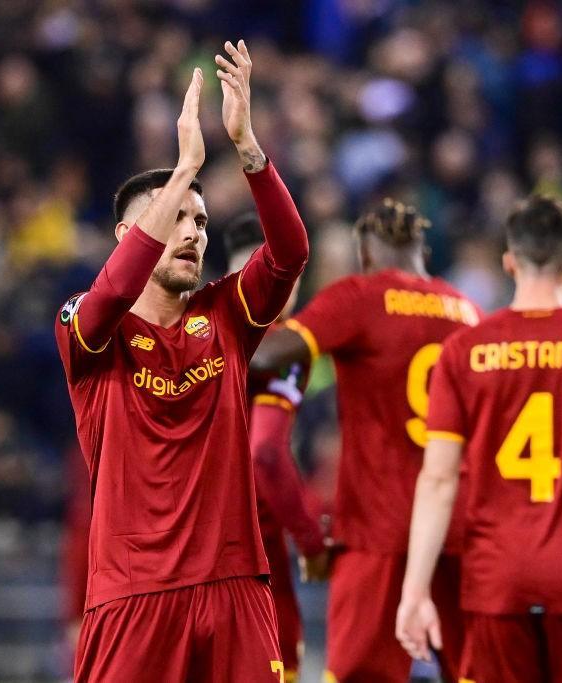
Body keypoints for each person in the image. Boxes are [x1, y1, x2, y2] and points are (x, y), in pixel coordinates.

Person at [55, 41, 308, 682]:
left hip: (234, 586)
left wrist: (248, 149)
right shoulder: (86, 327)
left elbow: (289, 253)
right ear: (128, 235)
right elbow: (113, 291)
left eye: (200, 219)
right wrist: (183, 168)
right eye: (176, 217)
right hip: (132, 594)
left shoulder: (226, 315)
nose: (193, 230)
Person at [396, 195, 562, 682]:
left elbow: (438, 480)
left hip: (497, 582)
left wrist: (415, 591)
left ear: (509, 263)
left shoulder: (464, 351)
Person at [252, 199, 480, 682]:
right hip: (462, 528)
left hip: (380, 528)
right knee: (477, 672)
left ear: (366, 254)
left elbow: (268, 355)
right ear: (422, 250)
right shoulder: (469, 312)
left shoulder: (359, 296)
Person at [224, 212, 330, 682]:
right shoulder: (280, 343)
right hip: (250, 561)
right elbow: (264, 451)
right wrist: (310, 538)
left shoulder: (185, 324)